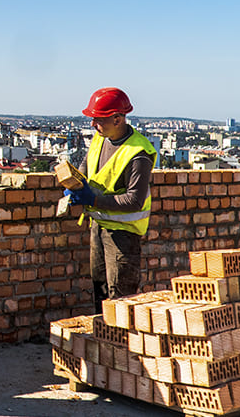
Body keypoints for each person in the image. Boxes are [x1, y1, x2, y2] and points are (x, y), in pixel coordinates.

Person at [64, 87, 158, 313]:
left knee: (120, 297)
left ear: (117, 119)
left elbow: (134, 201)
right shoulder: (100, 138)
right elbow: (87, 168)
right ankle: (103, 338)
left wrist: (93, 200)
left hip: (122, 234)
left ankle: (123, 345)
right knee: (101, 290)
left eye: (99, 119)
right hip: (98, 226)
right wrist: (76, 185)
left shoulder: (138, 153)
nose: (94, 124)